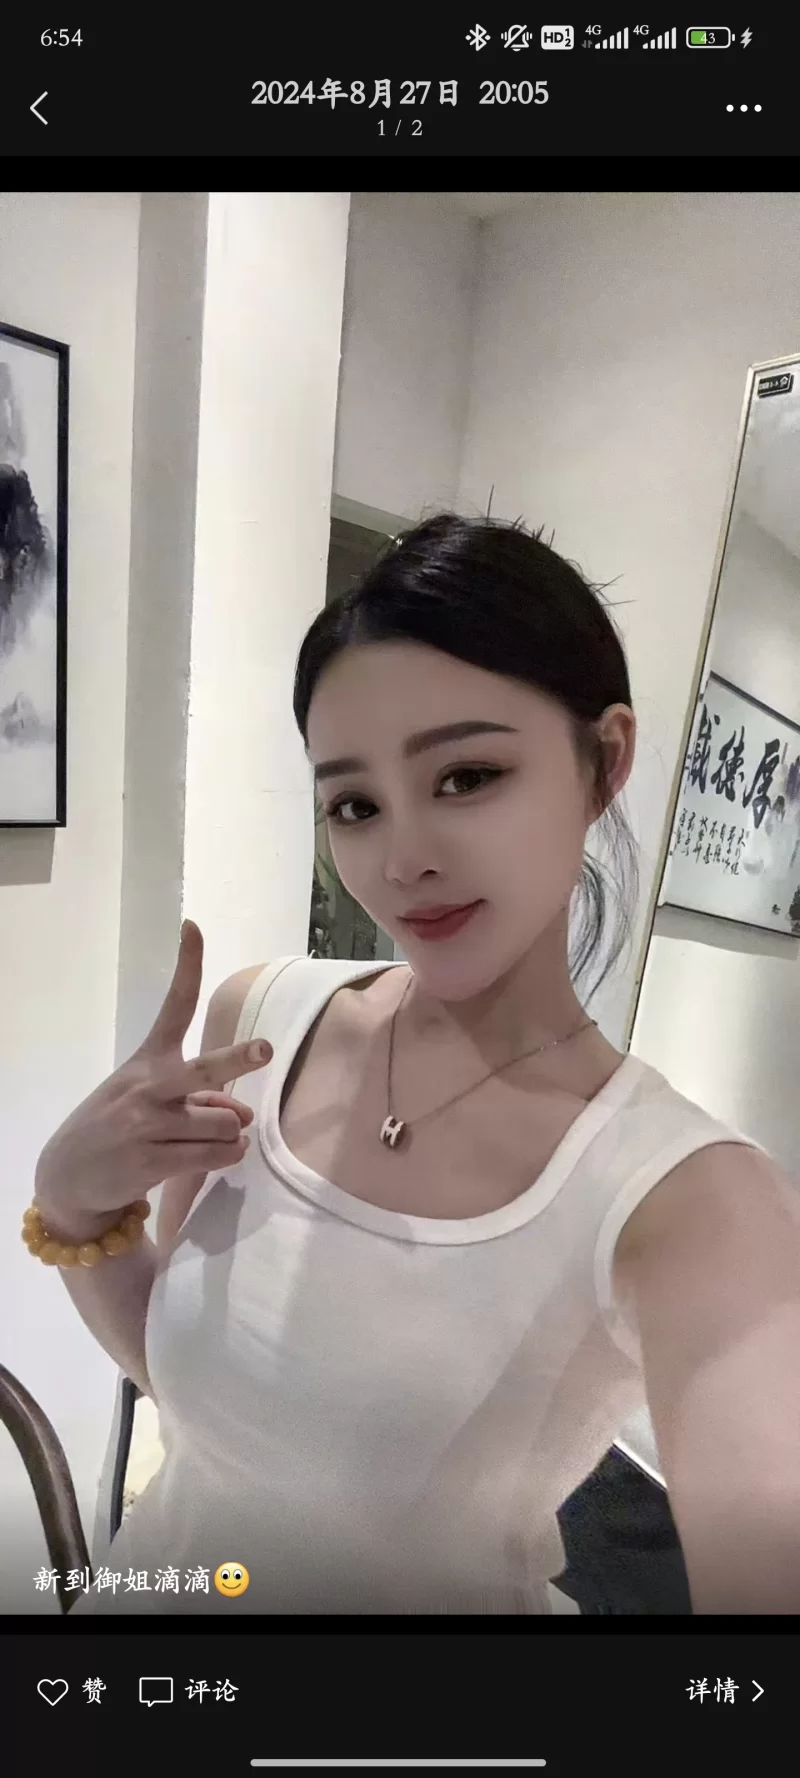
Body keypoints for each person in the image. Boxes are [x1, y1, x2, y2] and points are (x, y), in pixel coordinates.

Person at [28, 512, 800, 1615]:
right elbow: (203, 1398)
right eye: (354, 804)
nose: (402, 860)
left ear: (605, 762)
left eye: (467, 775)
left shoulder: (691, 1204)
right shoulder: (261, 1021)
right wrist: (72, 1201)